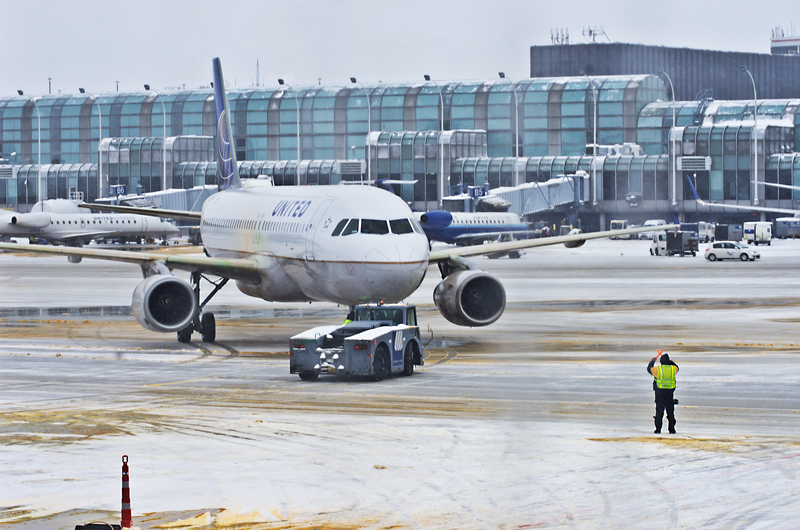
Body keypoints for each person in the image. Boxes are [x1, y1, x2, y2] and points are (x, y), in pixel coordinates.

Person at [647, 353, 679, 434]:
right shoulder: (673, 369)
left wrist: (652, 361)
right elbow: (677, 367)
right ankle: (672, 429)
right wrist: (670, 361)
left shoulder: (658, 369)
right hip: (669, 393)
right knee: (670, 413)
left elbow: (649, 369)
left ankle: (658, 429)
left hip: (659, 394)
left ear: (660, 362)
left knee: (659, 412)